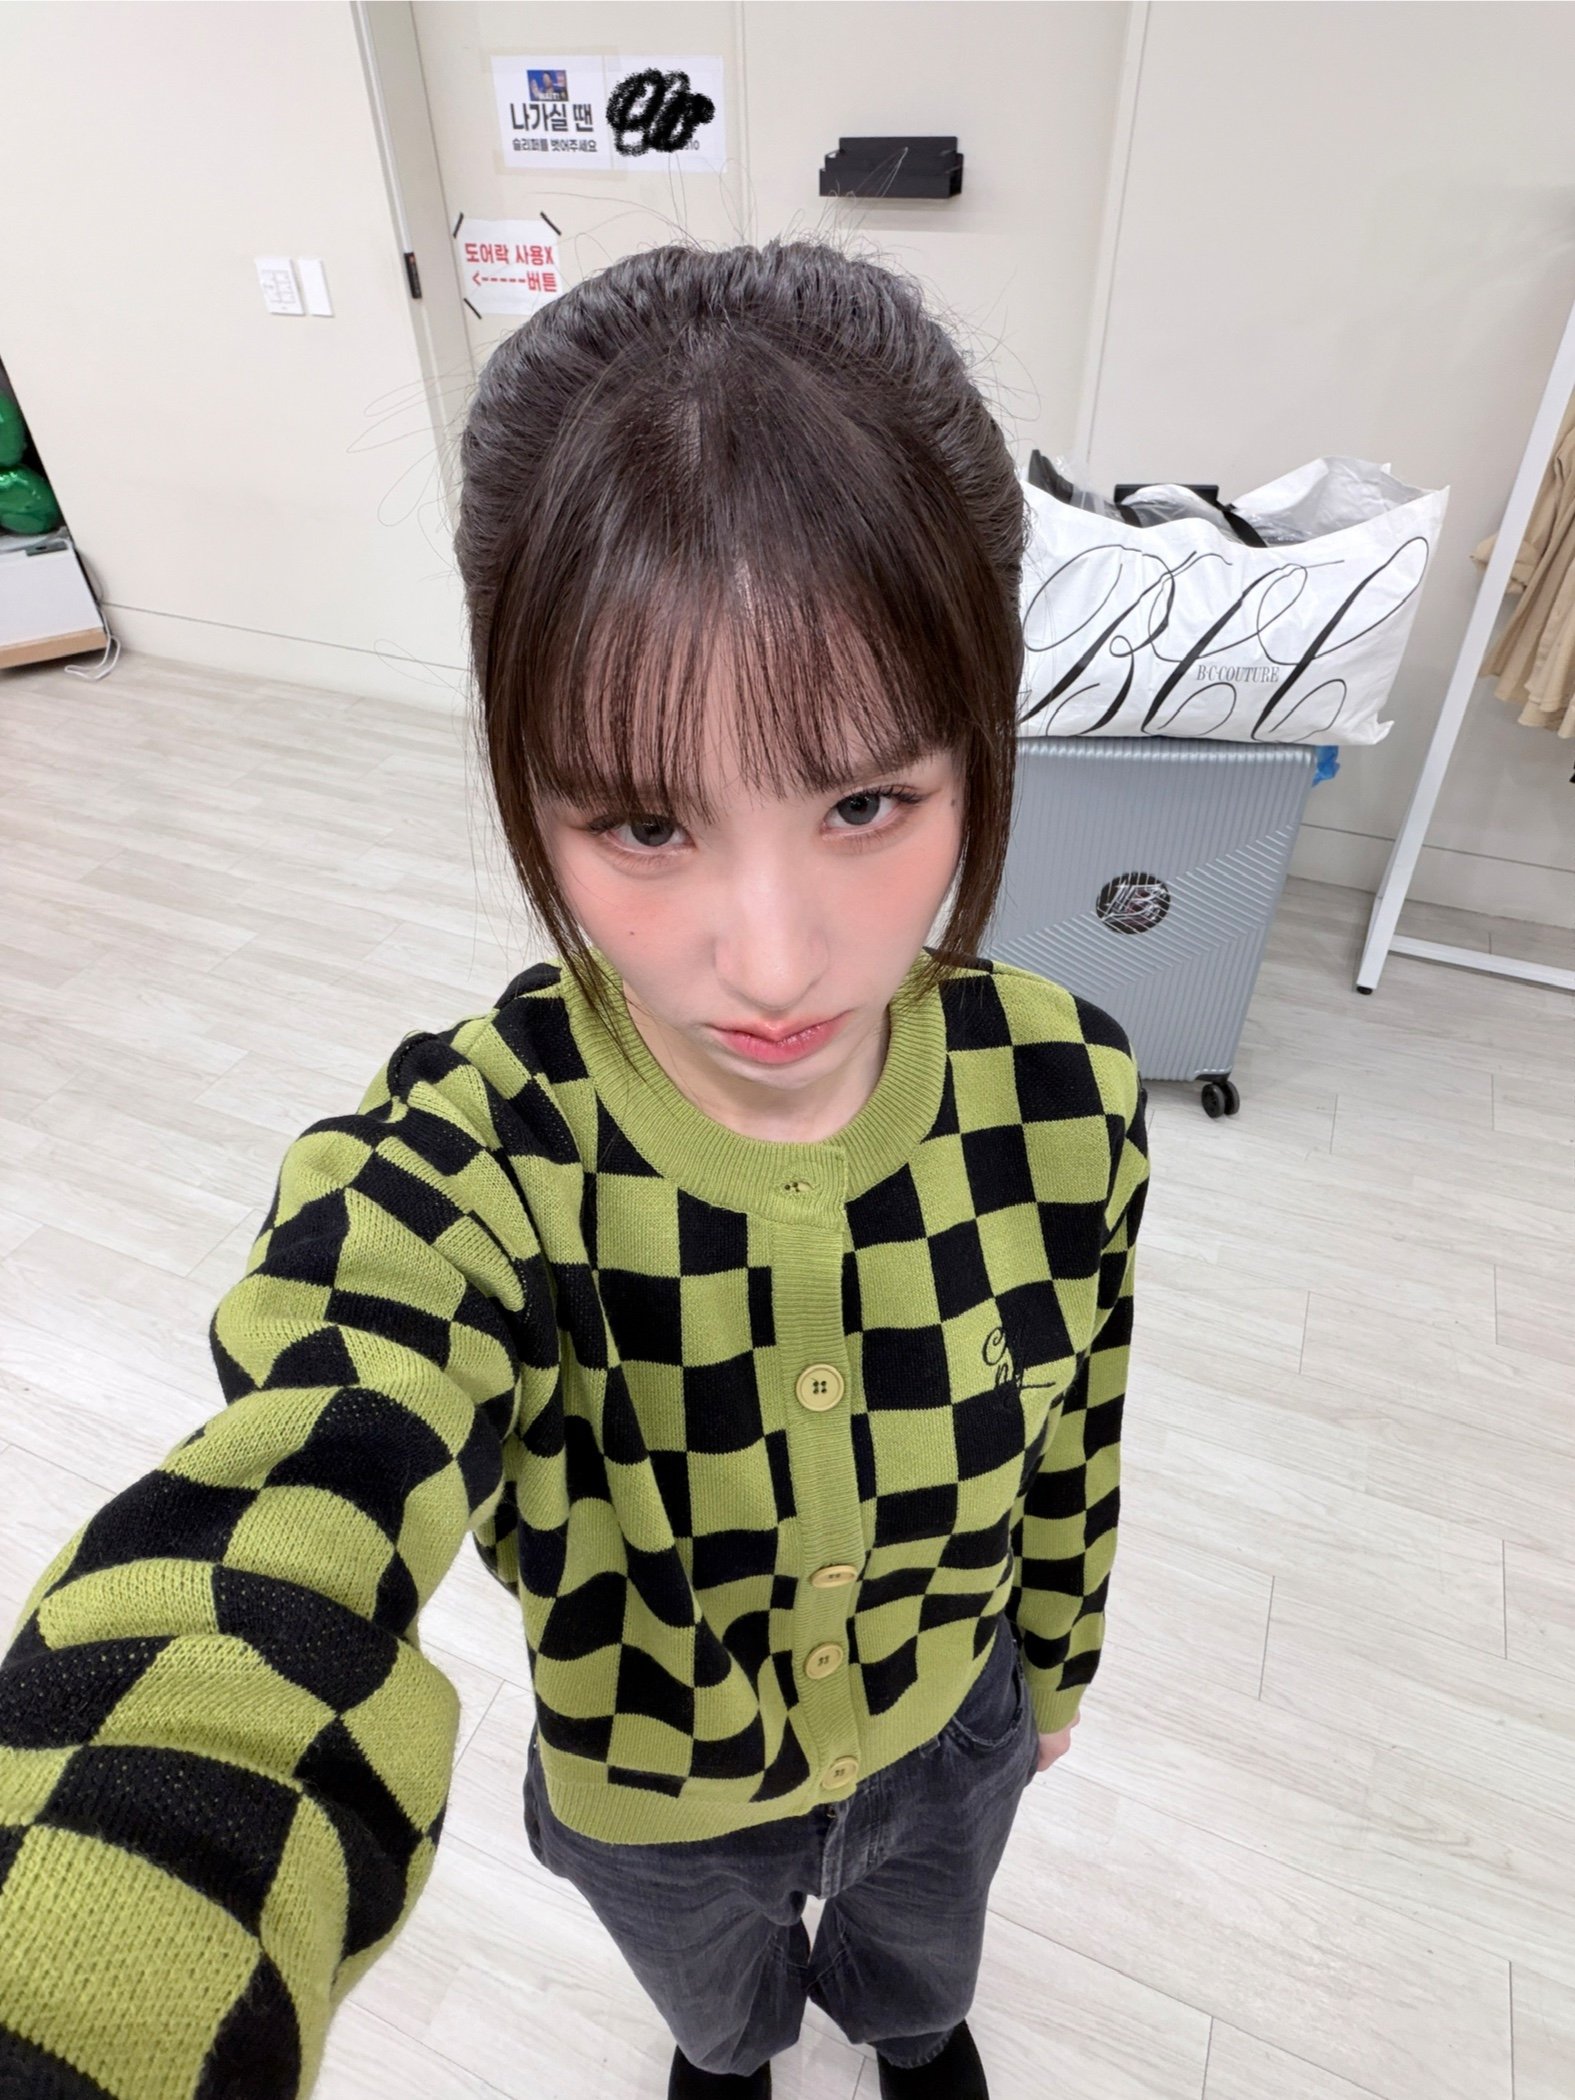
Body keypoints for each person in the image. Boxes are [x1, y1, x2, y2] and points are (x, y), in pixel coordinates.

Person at [0, 235, 1149, 2100]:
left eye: (866, 802)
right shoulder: (482, 1155)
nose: (771, 961)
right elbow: (296, 1496)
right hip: (655, 1796)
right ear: (524, 775)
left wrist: (1057, 1662)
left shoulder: (1067, 1090)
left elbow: (1084, 1413)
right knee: (716, 2018)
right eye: (642, 824)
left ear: (981, 731)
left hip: (956, 1729)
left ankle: (917, 2034)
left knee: (925, 1971)